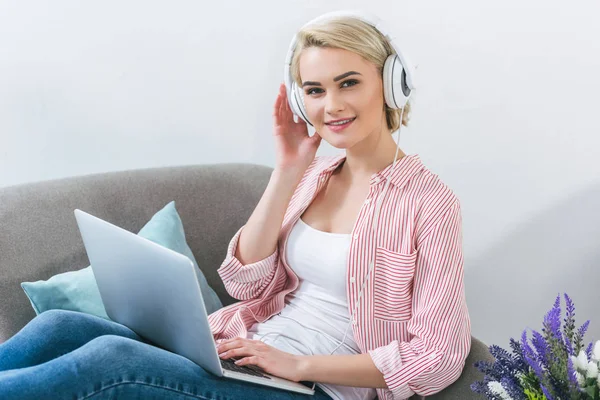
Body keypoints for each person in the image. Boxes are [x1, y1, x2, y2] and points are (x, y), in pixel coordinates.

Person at [0, 11, 471, 400]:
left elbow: (439, 353)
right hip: (248, 353)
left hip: (316, 387)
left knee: (108, 361)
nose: (331, 105)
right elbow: (245, 282)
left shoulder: (429, 204)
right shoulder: (312, 177)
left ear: (390, 85)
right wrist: (287, 171)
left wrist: (297, 363)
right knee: (59, 327)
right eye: (314, 90)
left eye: (348, 83)